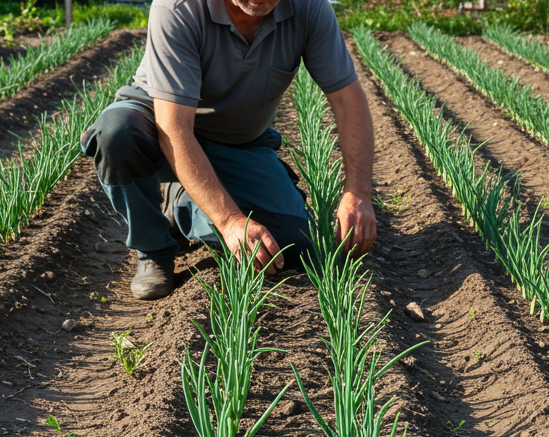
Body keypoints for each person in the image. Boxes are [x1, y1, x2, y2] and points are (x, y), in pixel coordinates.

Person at [80, 0, 376, 300]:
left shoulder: (309, 8)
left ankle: (183, 200)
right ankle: (153, 249)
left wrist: (358, 193)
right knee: (117, 132)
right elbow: (175, 128)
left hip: (238, 141)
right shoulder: (177, 7)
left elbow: (347, 99)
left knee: (289, 245)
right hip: (160, 125)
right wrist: (228, 220)